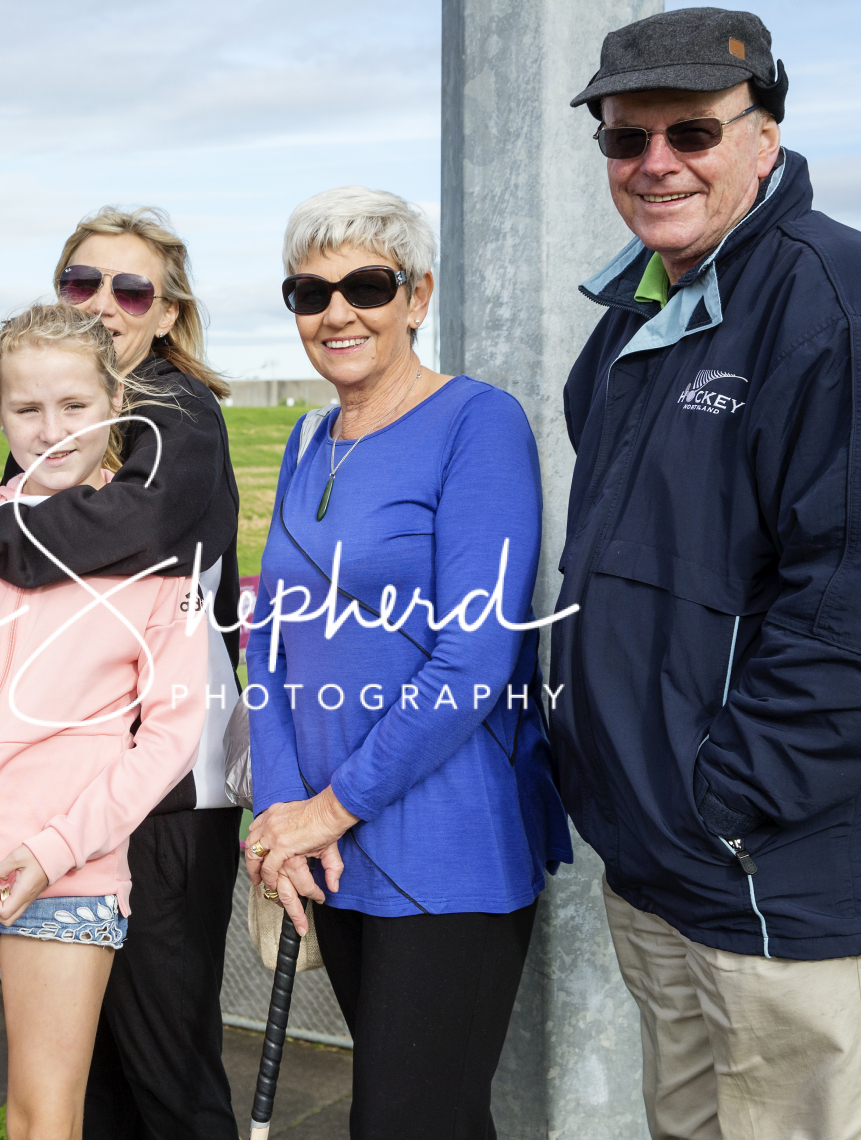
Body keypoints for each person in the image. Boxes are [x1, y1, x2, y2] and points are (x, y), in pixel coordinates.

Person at [552, 9, 861, 1138]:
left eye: (692, 132)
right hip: (664, 867)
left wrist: (726, 805)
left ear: (764, 136)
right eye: (627, 138)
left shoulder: (843, 304)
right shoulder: (640, 313)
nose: (656, 162)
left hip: (778, 876)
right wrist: (645, 806)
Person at [0, 206, 243, 1140]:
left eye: (131, 290)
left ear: (167, 314)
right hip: (61, 803)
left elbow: (128, 530)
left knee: (166, 1061)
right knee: (87, 1084)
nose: (101, 303)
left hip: (166, 793)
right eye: (81, 282)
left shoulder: (175, 411)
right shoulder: (68, 419)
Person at [244, 186, 572, 1140]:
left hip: (444, 844)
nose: (337, 312)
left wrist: (329, 807)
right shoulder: (308, 438)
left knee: (405, 1121)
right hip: (328, 850)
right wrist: (283, 816)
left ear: (417, 296)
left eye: (367, 286)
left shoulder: (479, 423)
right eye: (310, 293)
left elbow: (474, 658)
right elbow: (269, 638)